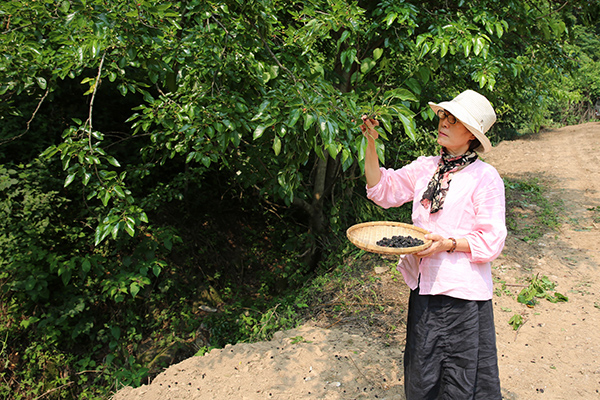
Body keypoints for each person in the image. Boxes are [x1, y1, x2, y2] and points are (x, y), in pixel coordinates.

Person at [360, 89, 506, 399]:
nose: (443, 123)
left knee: (461, 376)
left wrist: (448, 244)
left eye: (454, 120)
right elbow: (381, 189)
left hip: (462, 296)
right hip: (424, 289)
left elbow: (491, 239)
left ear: (471, 135)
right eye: (443, 116)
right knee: (424, 374)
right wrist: (370, 142)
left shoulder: (485, 178)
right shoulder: (426, 168)